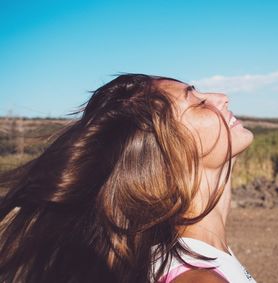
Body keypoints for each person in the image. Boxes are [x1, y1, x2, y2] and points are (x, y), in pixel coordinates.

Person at [0, 74, 256, 283]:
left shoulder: (191, 258)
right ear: (170, 155)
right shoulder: (198, 279)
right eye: (198, 103)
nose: (222, 98)